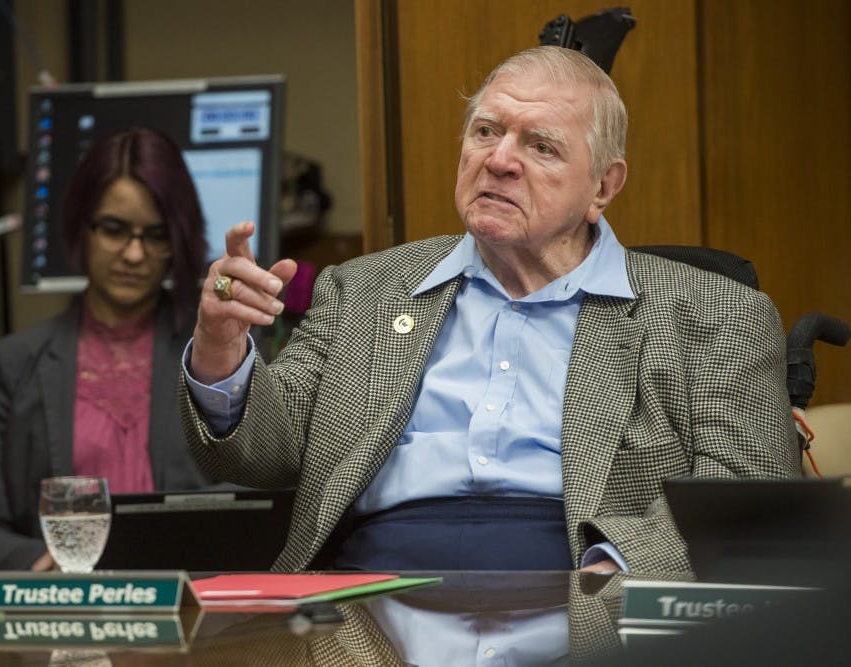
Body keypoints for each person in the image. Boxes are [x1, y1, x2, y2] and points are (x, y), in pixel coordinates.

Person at [179, 46, 799, 574]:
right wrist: (220, 347)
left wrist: (620, 566)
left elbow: (747, 497)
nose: (499, 160)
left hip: (586, 596)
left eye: (541, 146)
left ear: (603, 187)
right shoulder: (365, 290)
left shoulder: (714, 314)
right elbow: (264, 456)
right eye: (485, 131)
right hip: (368, 600)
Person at [0, 126, 213, 580]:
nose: (134, 254)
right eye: (114, 229)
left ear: (177, 242)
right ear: (81, 226)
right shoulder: (15, 362)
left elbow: (256, 504)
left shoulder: (214, 359)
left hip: (190, 607)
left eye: (155, 235)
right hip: (65, 604)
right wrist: (43, 565)